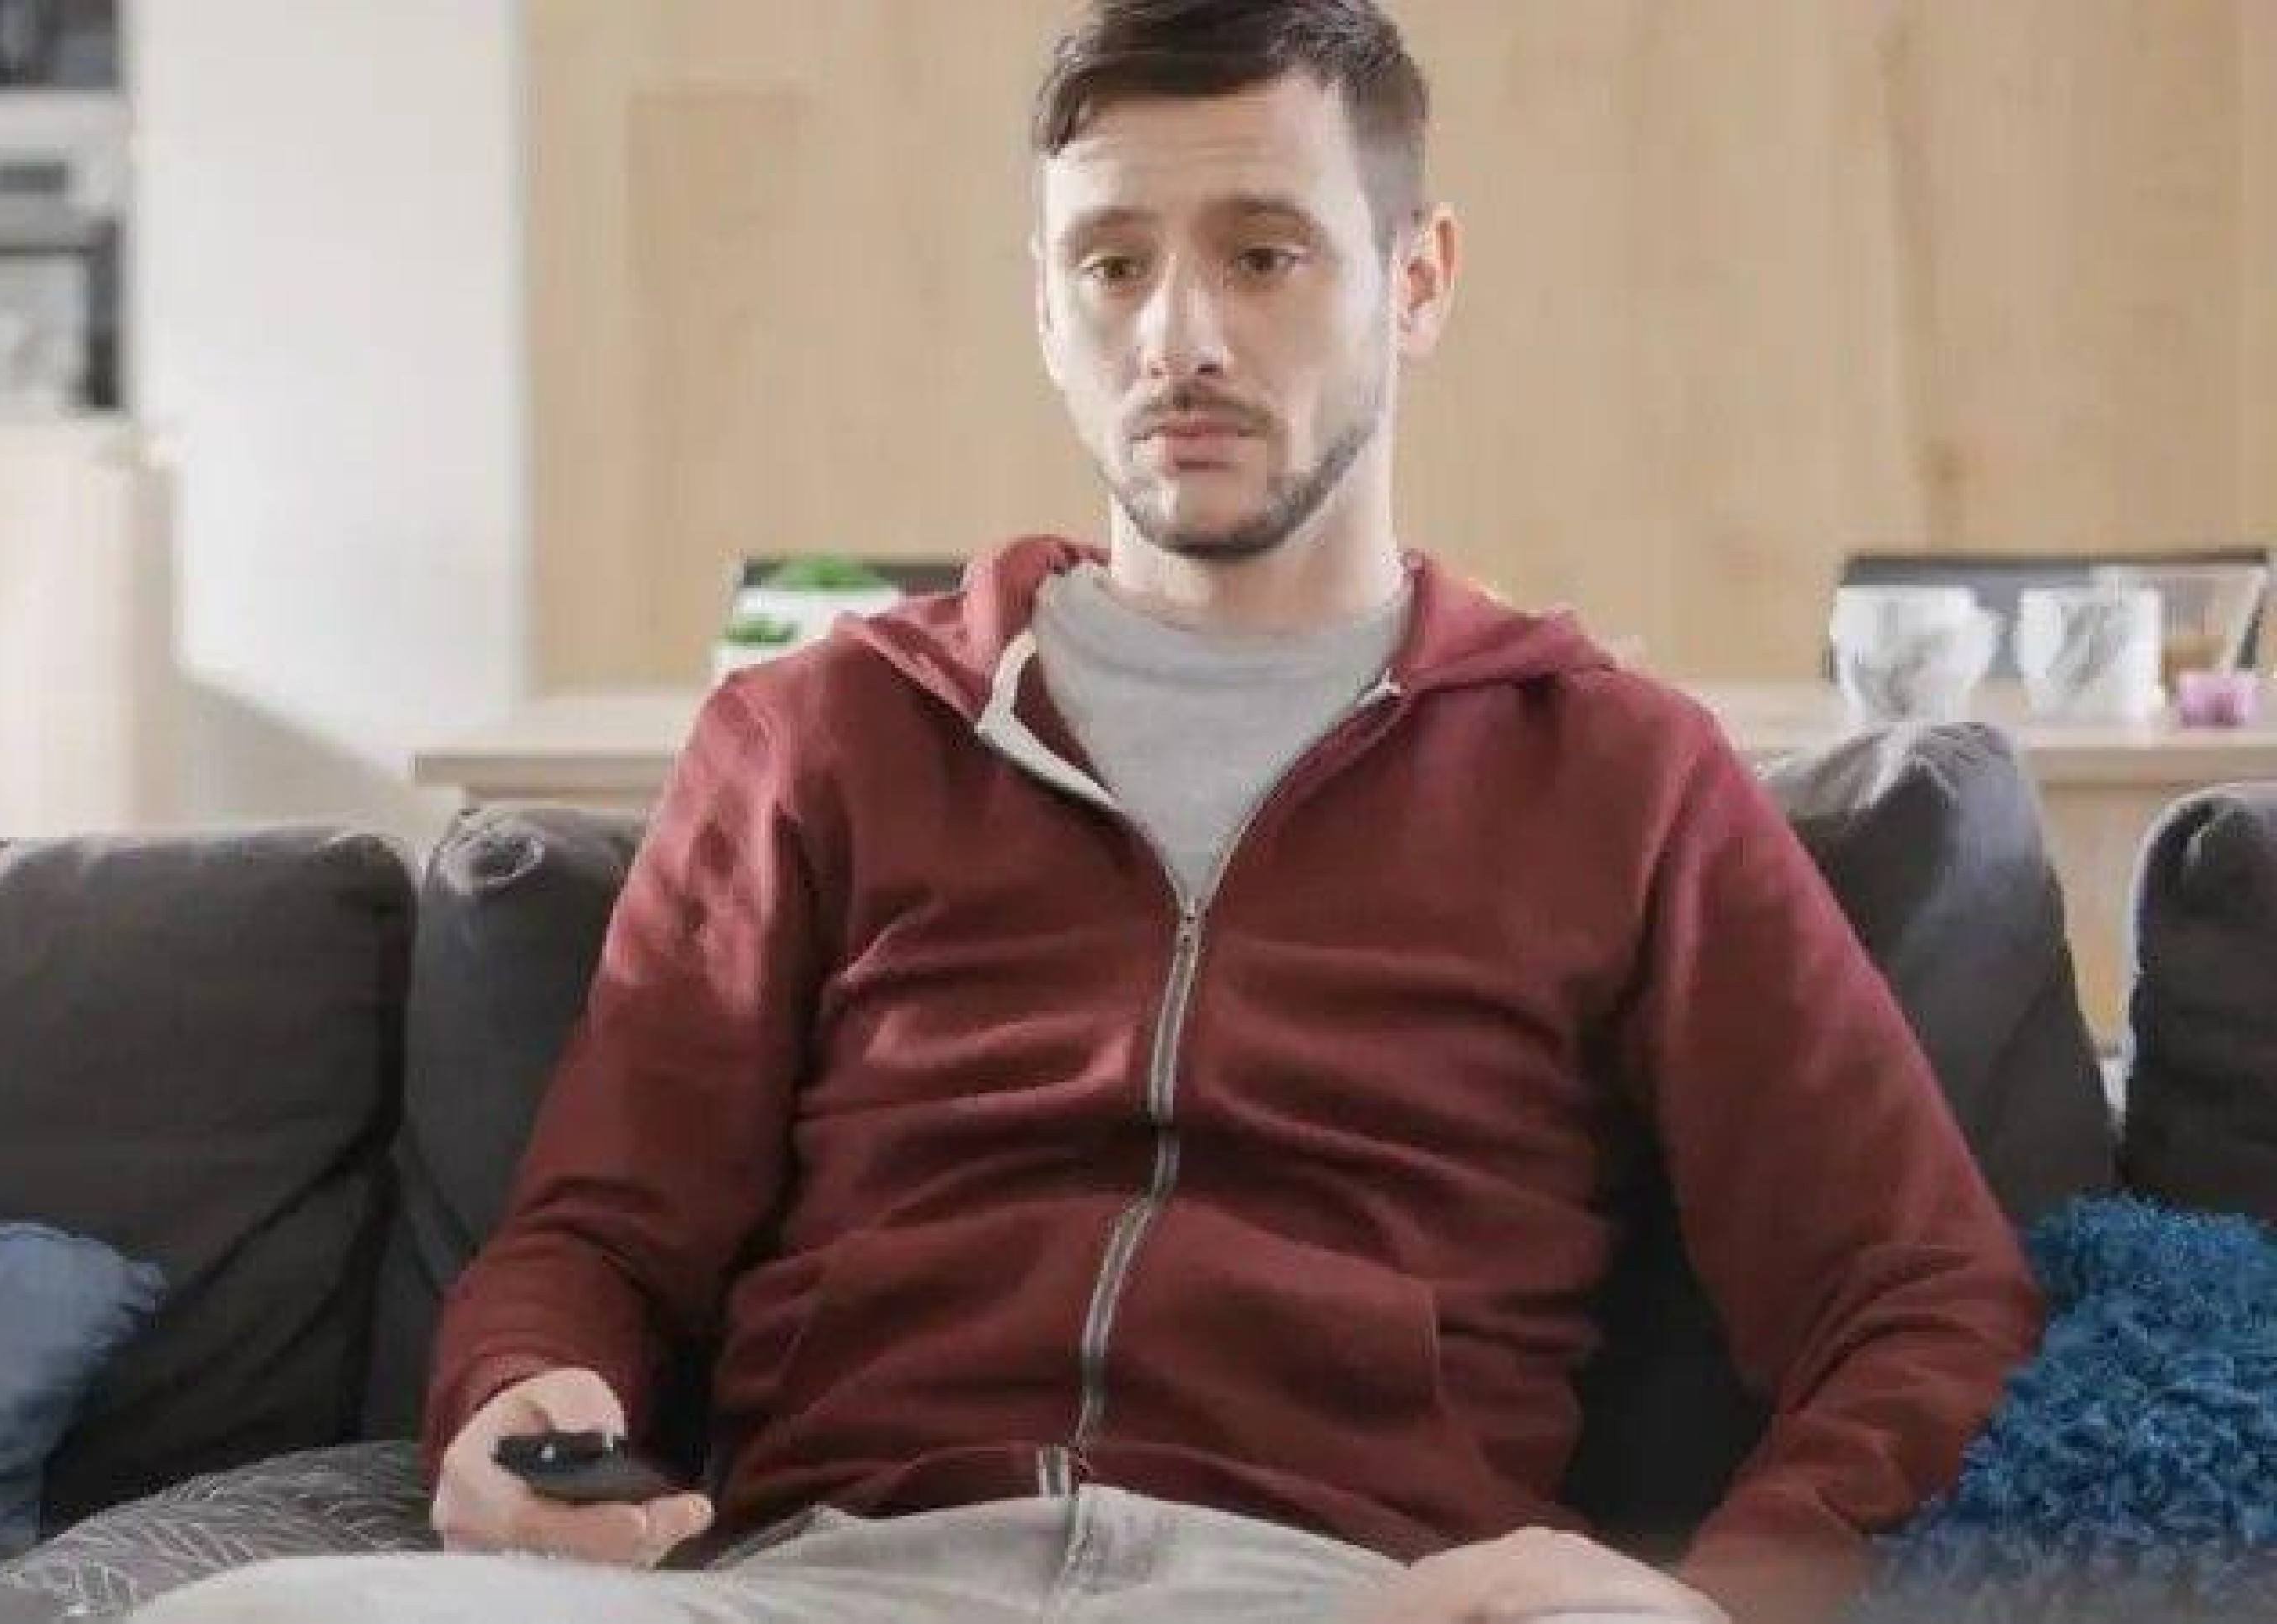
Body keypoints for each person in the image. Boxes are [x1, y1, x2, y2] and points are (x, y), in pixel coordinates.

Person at [136, 2, 2038, 1620]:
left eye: (1262, 256)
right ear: (1044, 303)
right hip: (826, 1581)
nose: (1176, 337)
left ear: (1417, 281)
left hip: (1332, 1589)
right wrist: (521, 1389)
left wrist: (1714, 1593)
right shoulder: (821, 736)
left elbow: (1919, 1290)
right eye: (1112, 265)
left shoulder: (1611, 772)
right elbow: (599, 1236)